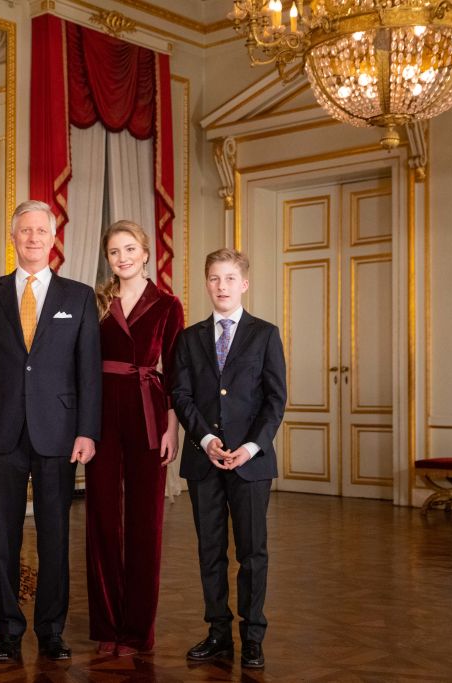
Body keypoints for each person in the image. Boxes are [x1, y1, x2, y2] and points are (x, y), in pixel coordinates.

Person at [0, 200, 102, 662]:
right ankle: (6, 631)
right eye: (23, 230)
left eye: (40, 231)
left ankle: (50, 630)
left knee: (54, 537)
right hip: (1, 431)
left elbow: (89, 371)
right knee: (3, 537)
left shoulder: (79, 296)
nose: (32, 238)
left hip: (59, 432)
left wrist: (87, 430)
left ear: (53, 238)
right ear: (13, 238)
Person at [170, 248, 286, 670]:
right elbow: (180, 395)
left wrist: (251, 447)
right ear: (206, 283)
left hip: (251, 464)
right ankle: (218, 631)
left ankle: (252, 636)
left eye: (230, 278)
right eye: (215, 279)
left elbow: (276, 400)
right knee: (210, 550)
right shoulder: (189, 337)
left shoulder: (265, 334)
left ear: (244, 284)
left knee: (253, 552)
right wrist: (204, 439)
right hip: (205, 462)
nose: (222, 286)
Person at [86, 221, 184, 657]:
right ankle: (107, 625)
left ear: (146, 253)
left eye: (129, 249)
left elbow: (178, 372)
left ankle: (137, 631)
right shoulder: (97, 300)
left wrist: (173, 428)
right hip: (103, 412)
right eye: (114, 252)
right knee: (103, 517)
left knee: (146, 523)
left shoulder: (168, 304)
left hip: (149, 411)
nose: (122, 257)